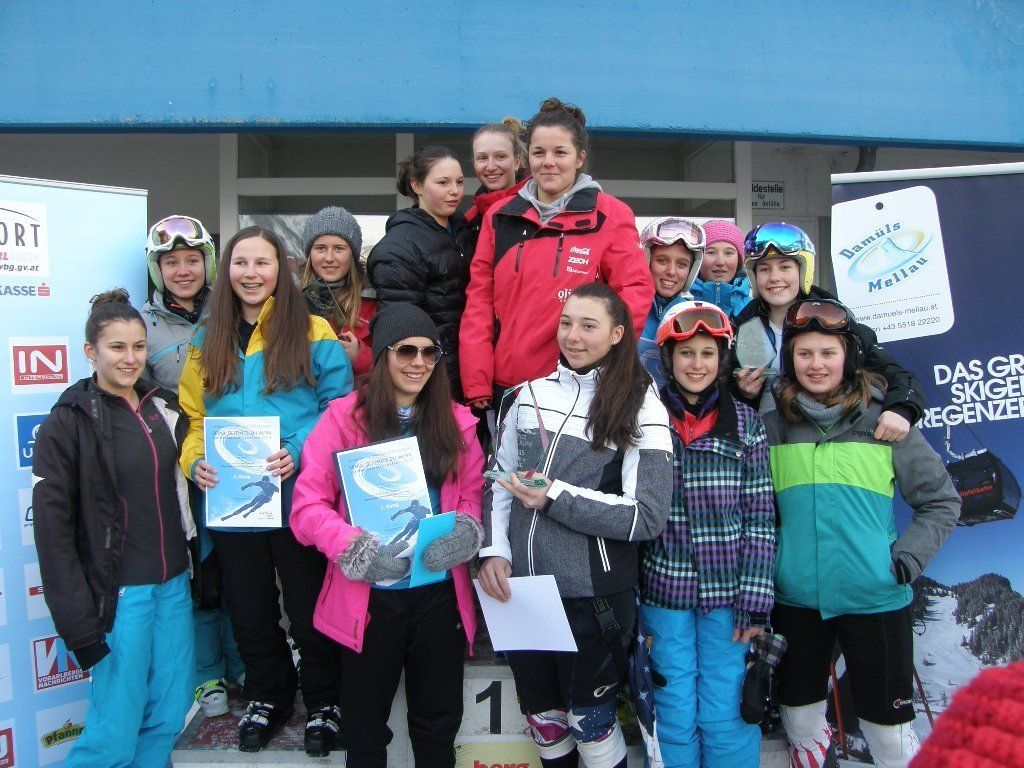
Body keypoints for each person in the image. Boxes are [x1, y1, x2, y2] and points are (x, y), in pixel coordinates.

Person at [478, 283, 673, 768]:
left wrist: (556, 497)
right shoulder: (526, 395)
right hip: (522, 592)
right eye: (566, 323)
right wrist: (494, 551)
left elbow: (646, 515)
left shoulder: (641, 404)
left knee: (591, 728)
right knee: (544, 723)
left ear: (617, 334)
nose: (573, 336)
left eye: (589, 326)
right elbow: (498, 479)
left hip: (593, 596)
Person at [177, 226, 353, 755]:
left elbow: (338, 409)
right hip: (233, 499)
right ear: (226, 270)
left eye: (262, 263)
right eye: (240, 263)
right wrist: (194, 461)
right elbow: (193, 417)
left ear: (283, 269)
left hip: (299, 496)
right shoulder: (206, 337)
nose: (250, 274)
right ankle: (268, 694)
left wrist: (298, 448)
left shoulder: (313, 330)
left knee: (307, 604)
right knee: (249, 608)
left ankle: (324, 699)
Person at [764, 298, 960, 768]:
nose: (816, 364)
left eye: (828, 353)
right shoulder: (772, 427)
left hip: (875, 601)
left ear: (848, 358)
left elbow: (941, 501)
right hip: (797, 602)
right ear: (790, 359)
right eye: (804, 353)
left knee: (888, 737)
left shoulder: (885, 423)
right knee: (801, 724)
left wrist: (905, 561)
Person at [291, 303, 485, 768]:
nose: (419, 362)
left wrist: (465, 533)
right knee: (363, 727)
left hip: (437, 593)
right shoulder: (342, 419)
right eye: (406, 351)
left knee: (438, 724)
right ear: (381, 357)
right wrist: (352, 548)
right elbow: (307, 507)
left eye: (429, 352)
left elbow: (471, 496)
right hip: (369, 597)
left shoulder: (457, 421)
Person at [33, 289, 196, 768]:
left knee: (168, 716)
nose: (130, 358)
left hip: (174, 585)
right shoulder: (68, 422)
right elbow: (53, 535)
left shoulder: (164, 408)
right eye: (117, 347)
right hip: (121, 595)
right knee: (114, 731)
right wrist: (78, 623)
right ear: (91, 351)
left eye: (138, 346)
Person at [640, 300, 775, 768]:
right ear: (668, 359)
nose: (696, 365)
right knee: (672, 705)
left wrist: (756, 599)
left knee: (727, 705)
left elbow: (761, 517)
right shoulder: (645, 419)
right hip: (664, 591)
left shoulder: (745, 424)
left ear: (722, 360)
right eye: (686, 353)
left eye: (707, 354)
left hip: (730, 598)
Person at [460, 97, 654, 413]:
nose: (548, 162)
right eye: (539, 153)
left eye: (560, 152)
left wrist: (607, 361)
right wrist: (477, 379)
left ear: (579, 158)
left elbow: (634, 292)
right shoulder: (500, 216)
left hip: (581, 385)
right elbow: (479, 301)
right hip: (509, 388)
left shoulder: (610, 215)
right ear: (528, 157)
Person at [141, 214, 245, 719]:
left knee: (240, 567)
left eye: (192, 260)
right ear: (157, 270)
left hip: (235, 462)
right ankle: (208, 674)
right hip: (177, 467)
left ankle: (245, 662)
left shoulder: (233, 311)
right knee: (202, 572)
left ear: (208, 264)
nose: (182, 270)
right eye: (171, 262)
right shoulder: (142, 324)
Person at [732, 222, 925, 441]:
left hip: (827, 438)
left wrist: (901, 409)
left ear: (802, 270)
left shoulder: (833, 319)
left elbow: (894, 373)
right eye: (764, 269)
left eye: (785, 267)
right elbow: (724, 396)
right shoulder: (742, 326)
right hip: (764, 442)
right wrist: (743, 393)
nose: (774, 277)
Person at [367, 146, 469, 398]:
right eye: (443, 182)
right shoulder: (399, 247)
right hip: (430, 373)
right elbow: (399, 328)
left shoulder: (463, 230)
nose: (455, 191)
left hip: (466, 366)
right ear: (417, 186)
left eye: (459, 182)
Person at [300, 205, 377, 377]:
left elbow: (391, 365)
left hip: (356, 392)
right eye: (320, 248)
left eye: (339, 248)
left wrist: (359, 356)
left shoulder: (373, 302)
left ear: (352, 254)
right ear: (309, 254)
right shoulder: (291, 300)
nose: (329, 258)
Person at [636, 216, 705, 388]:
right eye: (662, 260)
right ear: (646, 261)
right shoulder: (625, 308)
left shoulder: (697, 316)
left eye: (682, 264)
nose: (671, 271)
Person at [463, 117, 529, 257]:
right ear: (474, 164)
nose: (491, 166)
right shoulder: (469, 219)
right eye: (482, 158)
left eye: (500, 156)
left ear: (516, 161)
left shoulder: (538, 207)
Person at [689, 220, 752, 318]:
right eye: (711, 252)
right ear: (697, 258)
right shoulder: (681, 304)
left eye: (729, 253)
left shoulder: (753, 308)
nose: (720, 262)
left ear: (739, 260)